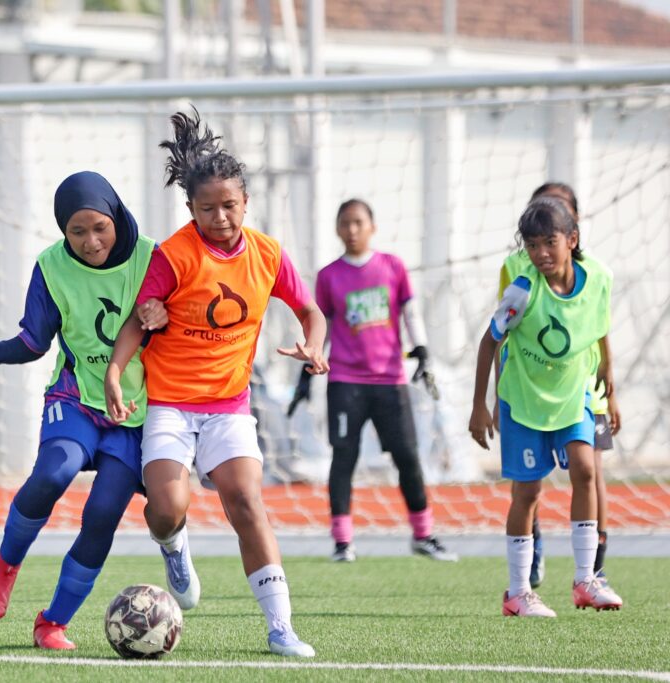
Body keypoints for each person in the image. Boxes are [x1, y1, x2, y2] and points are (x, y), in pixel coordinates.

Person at [105, 108, 327, 658]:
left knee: (246, 500)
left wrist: (313, 344)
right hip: (172, 406)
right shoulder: (175, 256)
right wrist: (115, 371)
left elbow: (311, 311)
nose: (222, 217)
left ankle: (281, 629)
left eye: (230, 205)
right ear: (191, 209)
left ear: (246, 202)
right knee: (166, 505)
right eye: (208, 209)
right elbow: (140, 318)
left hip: (229, 406)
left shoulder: (268, 254)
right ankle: (173, 545)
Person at [0, 171, 156, 650]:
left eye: (99, 227)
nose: (90, 241)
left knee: (103, 513)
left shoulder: (152, 257)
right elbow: (33, 341)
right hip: (75, 397)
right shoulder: (50, 266)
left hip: (135, 414)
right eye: (77, 231)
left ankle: (53, 622)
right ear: (63, 231)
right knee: (54, 472)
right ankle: (5, 564)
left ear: (116, 216)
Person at [469, 197, 623, 617]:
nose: (540, 254)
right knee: (529, 492)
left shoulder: (598, 280)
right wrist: (481, 406)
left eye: (549, 243)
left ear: (572, 240)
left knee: (587, 469)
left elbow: (600, 329)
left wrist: (610, 380)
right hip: (523, 401)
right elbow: (489, 342)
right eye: (532, 245)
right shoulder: (523, 290)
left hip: (574, 396)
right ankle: (518, 592)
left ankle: (585, 579)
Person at [289, 199, 457, 563]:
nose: (352, 230)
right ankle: (342, 542)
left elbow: (410, 313)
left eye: (358, 223)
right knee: (344, 458)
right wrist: (306, 374)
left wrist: (423, 351)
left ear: (372, 226)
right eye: (345, 223)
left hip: (390, 380)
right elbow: (323, 327)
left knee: (407, 456)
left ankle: (424, 534)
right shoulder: (329, 275)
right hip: (345, 382)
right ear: (337, 229)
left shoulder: (392, 267)